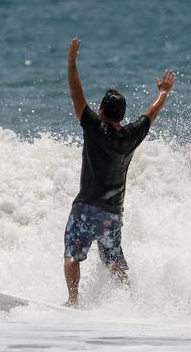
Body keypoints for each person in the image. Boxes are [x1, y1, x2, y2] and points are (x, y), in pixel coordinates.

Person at [63, 37, 176, 307]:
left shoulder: (92, 125)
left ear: (100, 111)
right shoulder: (131, 136)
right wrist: (164, 92)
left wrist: (71, 63)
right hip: (113, 215)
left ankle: (73, 301)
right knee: (113, 263)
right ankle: (131, 303)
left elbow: (76, 94)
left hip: (87, 208)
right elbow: (151, 113)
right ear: (122, 116)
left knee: (73, 252)